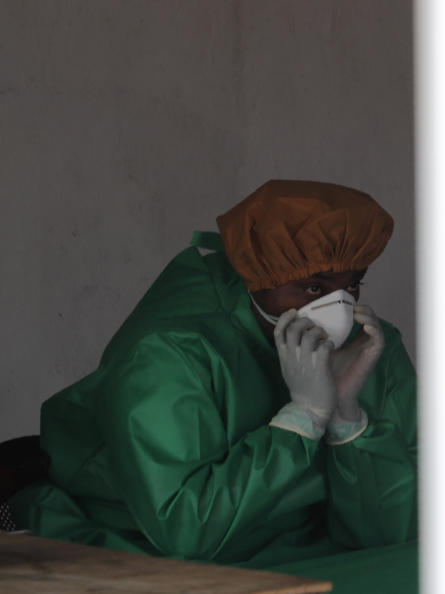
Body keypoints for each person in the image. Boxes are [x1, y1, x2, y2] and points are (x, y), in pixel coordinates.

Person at [9, 180, 418, 590]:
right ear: (256, 276)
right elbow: (186, 531)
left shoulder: (368, 349)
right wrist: (304, 419)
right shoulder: (170, 353)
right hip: (154, 554)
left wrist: (347, 418)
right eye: (313, 287)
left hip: (309, 548)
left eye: (352, 285)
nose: (339, 309)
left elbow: (397, 527)